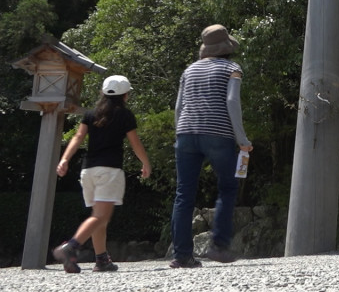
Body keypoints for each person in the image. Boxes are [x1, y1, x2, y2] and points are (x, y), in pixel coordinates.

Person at [170, 24, 253, 269]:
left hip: (185, 132)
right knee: (227, 188)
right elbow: (231, 102)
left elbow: (178, 106)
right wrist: (242, 140)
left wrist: (179, 134)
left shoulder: (189, 70)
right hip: (218, 133)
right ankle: (218, 245)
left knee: (184, 194)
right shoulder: (232, 68)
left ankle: (182, 255)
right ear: (227, 47)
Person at [52, 75, 152, 273]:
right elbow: (135, 143)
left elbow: (78, 137)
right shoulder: (125, 115)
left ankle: (102, 260)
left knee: (99, 217)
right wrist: (146, 163)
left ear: (103, 93)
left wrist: (64, 159)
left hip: (88, 171)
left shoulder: (91, 113)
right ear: (125, 95)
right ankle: (70, 247)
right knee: (100, 216)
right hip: (109, 171)